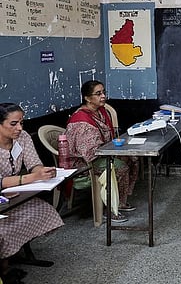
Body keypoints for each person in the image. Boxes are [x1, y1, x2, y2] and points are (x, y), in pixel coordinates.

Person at [0, 103, 64, 283]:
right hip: (5, 195)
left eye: (21, 122)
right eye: (13, 124)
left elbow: (33, 163)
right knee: (3, 230)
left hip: (14, 194)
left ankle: (9, 259)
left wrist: (41, 172)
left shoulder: (23, 137)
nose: (20, 128)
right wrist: (31, 178)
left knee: (41, 209)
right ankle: (4, 267)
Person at [65, 80, 139, 223]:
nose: (103, 96)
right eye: (98, 94)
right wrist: (112, 152)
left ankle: (121, 202)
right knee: (120, 168)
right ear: (87, 98)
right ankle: (110, 209)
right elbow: (89, 153)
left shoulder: (100, 112)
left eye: (104, 92)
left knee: (132, 158)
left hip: (102, 153)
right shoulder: (81, 122)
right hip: (84, 162)